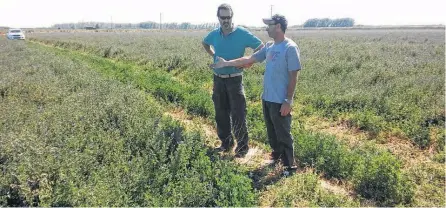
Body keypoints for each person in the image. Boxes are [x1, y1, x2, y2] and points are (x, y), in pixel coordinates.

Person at [212, 14, 301, 176]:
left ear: (279, 26)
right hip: (267, 97)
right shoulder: (269, 46)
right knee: (272, 131)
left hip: (280, 99)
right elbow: (249, 58)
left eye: (270, 25)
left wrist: (288, 100)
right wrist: (226, 63)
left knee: (283, 132)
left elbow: (294, 76)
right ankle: (276, 156)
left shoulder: (290, 48)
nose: (267, 28)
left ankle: (289, 166)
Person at [202, 4, 264, 157]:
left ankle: (242, 148)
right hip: (218, 79)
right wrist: (214, 56)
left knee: (238, 114)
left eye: (228, 17)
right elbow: (205, 43)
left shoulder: (241, 33)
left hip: (235, 80)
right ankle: (226, 143)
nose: (226, 20)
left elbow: (261, 46)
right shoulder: (214, 34)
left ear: (232, 16)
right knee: (220, 113)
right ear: (218, 18)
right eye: (223, 17)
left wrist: (248, 61)